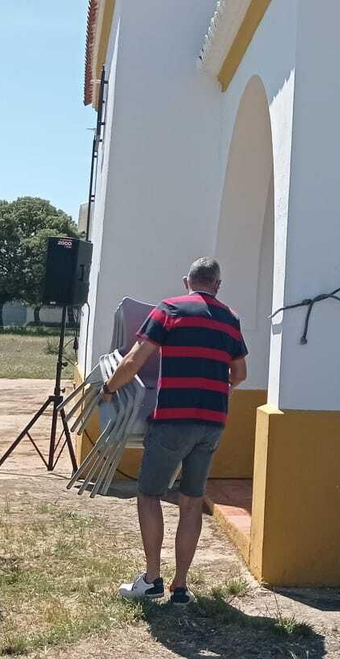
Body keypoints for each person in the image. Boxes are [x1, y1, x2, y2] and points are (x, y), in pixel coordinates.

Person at [106, 257, 247, 606]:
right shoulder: (231, 318)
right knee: (191, 501)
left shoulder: (169, 309)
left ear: (188, 281)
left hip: (172, 419)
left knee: (149, 494)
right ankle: (180, 587)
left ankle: (152, 578)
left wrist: (109, 388)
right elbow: (240, 374)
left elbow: (134, 360)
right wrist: (218, 389)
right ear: (217, 284)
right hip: (212, 422)